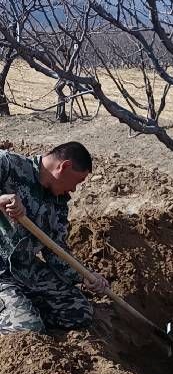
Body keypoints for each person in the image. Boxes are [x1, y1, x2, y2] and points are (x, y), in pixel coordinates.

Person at [0, 141, 109, 334]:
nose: (74, 190)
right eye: (77, 182)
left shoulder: (58, 203)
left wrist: (86, 276)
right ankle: (19, 315)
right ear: (64, 166)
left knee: (78, 311)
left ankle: (18, 306)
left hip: (24, 269)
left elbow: (56, 250)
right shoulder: (9, 165)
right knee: (28, 328)